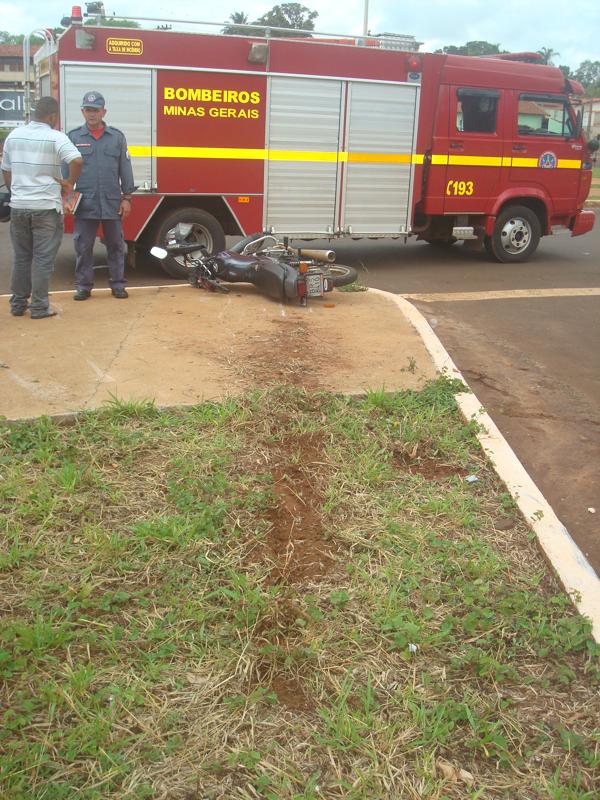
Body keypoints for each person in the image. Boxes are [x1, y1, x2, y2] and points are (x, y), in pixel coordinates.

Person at [1, 96, 82, 318]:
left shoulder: (14, 136)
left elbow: (6, 168)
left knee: (22, 257)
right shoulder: (55, 137)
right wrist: (69, 184)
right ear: (53, 116)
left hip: (19, 206)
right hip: (46, 207)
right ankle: (38, 306)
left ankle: (18, 305)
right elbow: (77, 160)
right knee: (43, 259)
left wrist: (14, 189)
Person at [68, 91, 135, 301]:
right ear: (82, 111)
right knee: (83, 246)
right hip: (85, 203)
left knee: (115, 245)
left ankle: (117, 284)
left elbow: (125, 169)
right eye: (88, 110)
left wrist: (127, 198)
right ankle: (83, 286)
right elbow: (65, 172)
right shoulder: (74, 137)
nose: (91, 114)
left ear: (103, 111)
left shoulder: (116, 137)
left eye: (95, 110)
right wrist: (66, 197)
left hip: (111, 201)